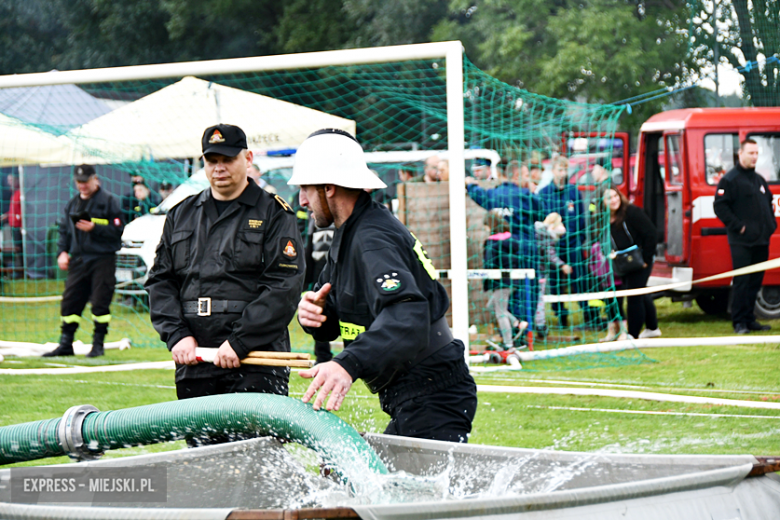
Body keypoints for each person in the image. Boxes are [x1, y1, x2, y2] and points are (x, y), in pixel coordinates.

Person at [290, 128, 477, 443]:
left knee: (411, 492)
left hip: (434, 394)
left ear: (329, 187)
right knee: (362, 482)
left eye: (306, 188)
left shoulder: (371, 238)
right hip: (418, 393)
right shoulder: (350, 233)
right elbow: (336, 318)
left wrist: (347, 364)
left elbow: (408, 313)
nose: (302, 200)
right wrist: (315, 317)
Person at [145, 124, 305, 444]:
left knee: (258, 456)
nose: (219, 168)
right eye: (211, 160)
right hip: (196, 356)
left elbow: (284, 285)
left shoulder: (274, 214)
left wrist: (241, 341)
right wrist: (176, 335)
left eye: (228, 159)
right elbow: (160, 281)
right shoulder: (181, 214)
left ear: (247, 158)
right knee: (203, 459)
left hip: (254, 356)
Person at [44, 165, 124, 358]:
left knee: (99, 302)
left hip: (102, 259)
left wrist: (94, 227)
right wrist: (62, 252)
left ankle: (98, 344)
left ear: (95, 179)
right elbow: (64, 230)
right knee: (70, 301)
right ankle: (65, 344)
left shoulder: (109, 202)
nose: (82, 186)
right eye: (79, 182)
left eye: (86, 181)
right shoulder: (73, 204)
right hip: (78, 260)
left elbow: (118, 230)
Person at [466, 164, 543, 332]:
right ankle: (524, 330)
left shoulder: (493, 194)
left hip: (501, 253)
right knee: (527, 291)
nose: (528, 178)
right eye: (525, 175)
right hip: (524, 250)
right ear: (516, 175)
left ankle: (508, 330)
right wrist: (532, 192)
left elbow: (479, 195)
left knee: (504, 293)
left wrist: (470, 184)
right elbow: (543, 212)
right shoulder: (525, 196)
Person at [713, 138, 776, 334]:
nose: (754, 157)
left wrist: (770, 226)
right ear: (740, 154)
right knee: (742, 282)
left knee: (755, 282)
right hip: (742, 242)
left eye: (757, 153)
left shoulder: (759, 180)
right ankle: (739, 321)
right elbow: (720, 206)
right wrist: (739, 227)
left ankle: (750, 319)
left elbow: (769, 202)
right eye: (751, 153)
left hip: (761, 240)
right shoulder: (730, 180)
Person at [537, 156, 602, 329]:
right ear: (553, 170)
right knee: (556, 283)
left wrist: (579, 241)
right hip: (553, 247)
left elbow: (581, 218)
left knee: (580, 281)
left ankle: (590, 316)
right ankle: (561, 316)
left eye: (565, 170)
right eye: (559, 169)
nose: (562, 173)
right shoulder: (544, 193)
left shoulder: (573, 191)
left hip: (573, 245)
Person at [605, 188, 660, 340]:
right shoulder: (604, 220)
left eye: (616, 196)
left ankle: (632, 335)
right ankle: (652, 327)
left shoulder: (632, 212)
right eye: (609, 198)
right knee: (640, 292)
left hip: (640, 260)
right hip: (624, 263)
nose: (614, 200)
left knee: (634, 296)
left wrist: (647, 259)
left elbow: (651, 233)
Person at [533, 212, 573, 335]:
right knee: (539, 298)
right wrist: (562, 265)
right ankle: (540, 326)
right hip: (538, 272)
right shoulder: (545, 234)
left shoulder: (540, 232)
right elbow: (549, 254)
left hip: (537, 270)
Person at [0, 174, 22, 277]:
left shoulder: (20, 193)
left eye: (11, 180)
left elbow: (22, 210)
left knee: (19, 249)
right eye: (8, 180)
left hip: (19, 227)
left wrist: (19, 219)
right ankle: (17, 270)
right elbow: (14, 210)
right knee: (16, 248)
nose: (9, 182)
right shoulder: (13, 193)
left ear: (17, 180)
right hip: (13, 226)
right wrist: (7, 215)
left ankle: (20, 271)